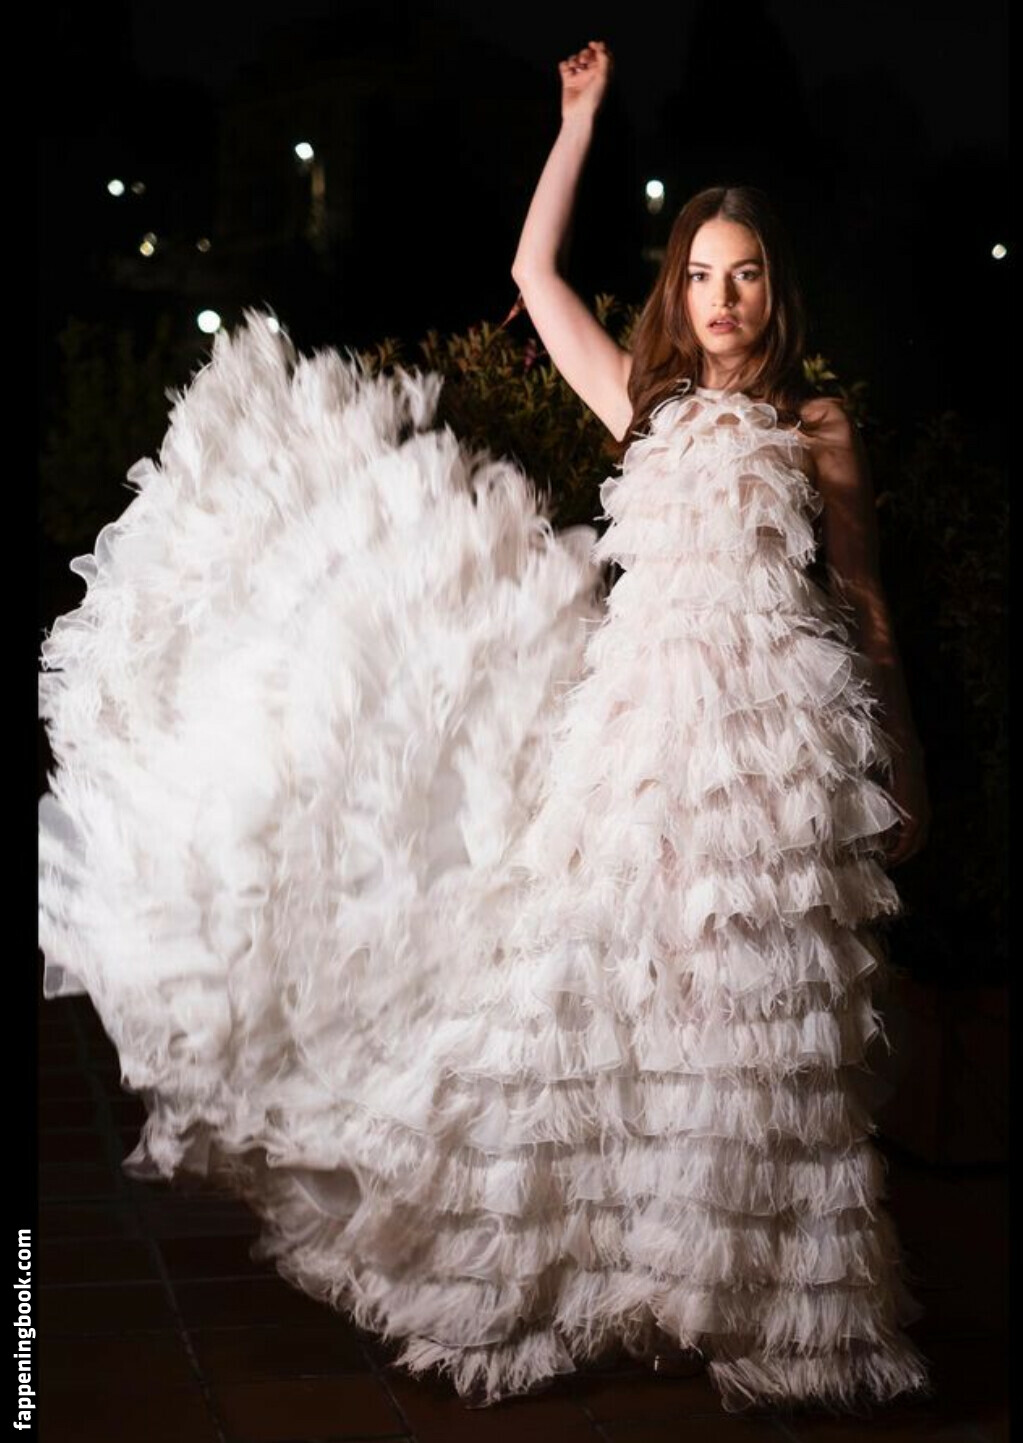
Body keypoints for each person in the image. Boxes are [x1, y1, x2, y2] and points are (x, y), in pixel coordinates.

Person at [38, 38, 931, 1416]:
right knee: (630, 1014)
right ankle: (633, 1273)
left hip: (775, 759)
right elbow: (533, 275)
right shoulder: (645, 406)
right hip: (644, 754)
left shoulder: (819, 426)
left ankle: (753, 1301)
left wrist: (901, 750)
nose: (722, 298)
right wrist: (578, 123)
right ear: (677, 292)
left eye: (745, 273)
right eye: (701, 274)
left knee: (757, 1031)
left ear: (776, 288)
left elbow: (862, 598)